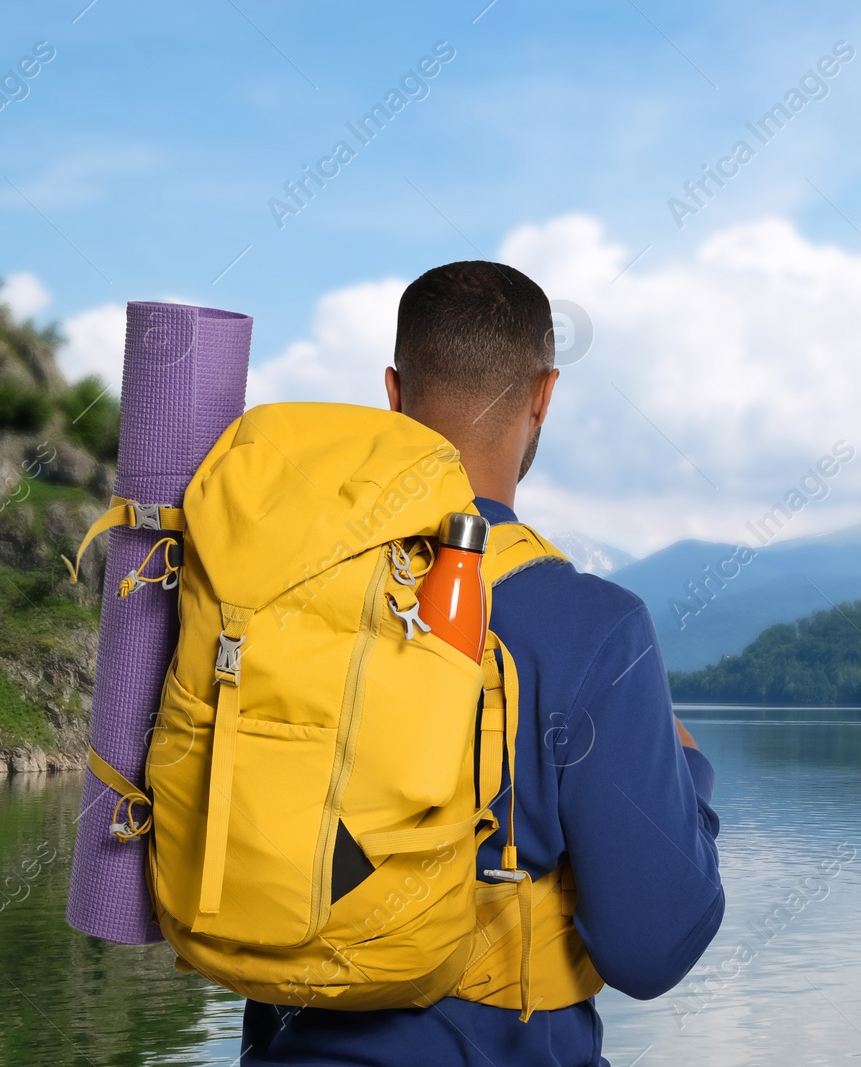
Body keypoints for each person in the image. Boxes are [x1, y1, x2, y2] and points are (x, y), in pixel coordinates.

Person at [240, 261, 725, 1066]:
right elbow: (653, 947)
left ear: (393, 394)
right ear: (544, 395)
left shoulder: (278, 592)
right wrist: (689, 775)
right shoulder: (597, 629)